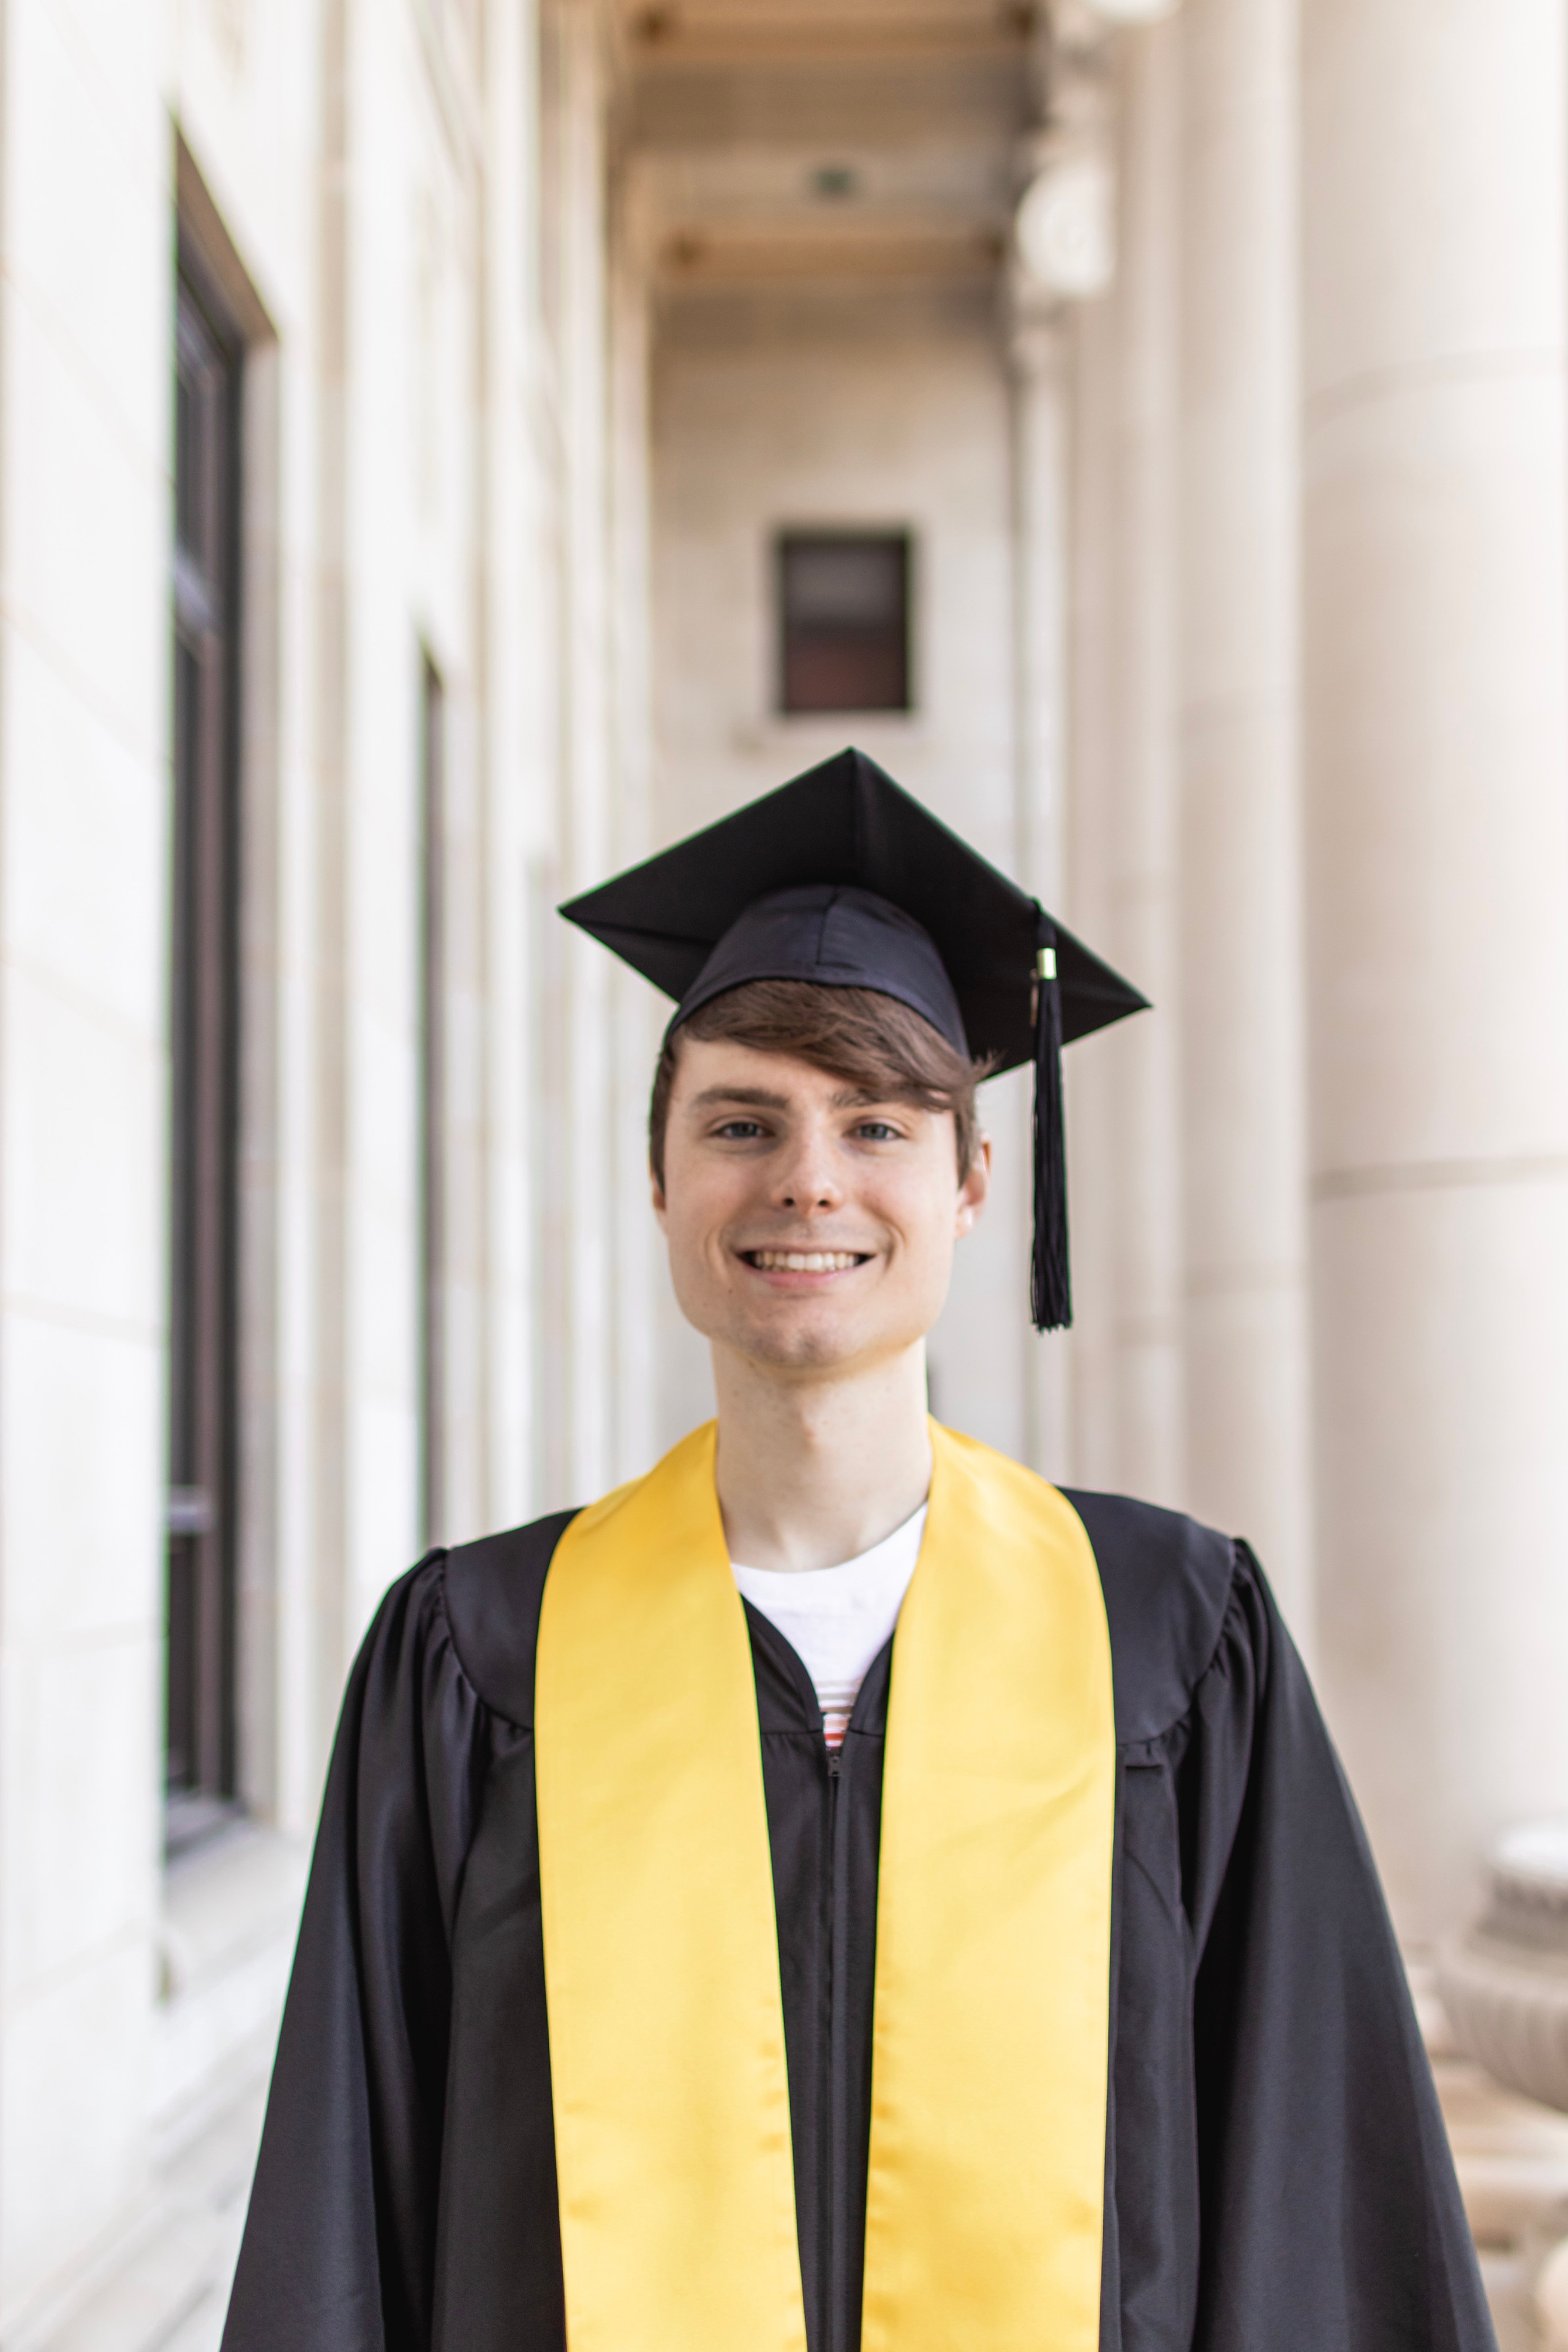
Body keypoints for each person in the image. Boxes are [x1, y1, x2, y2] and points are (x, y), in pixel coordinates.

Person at [222, 748, 1495, 2352]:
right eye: (743, 1121)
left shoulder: (1172, 1648)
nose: (808, 1180)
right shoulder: (480, 1660)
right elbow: (350, 2234)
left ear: (972, 1184)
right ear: (661, 1178)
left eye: (876, 1125)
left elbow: (1318, 2210)